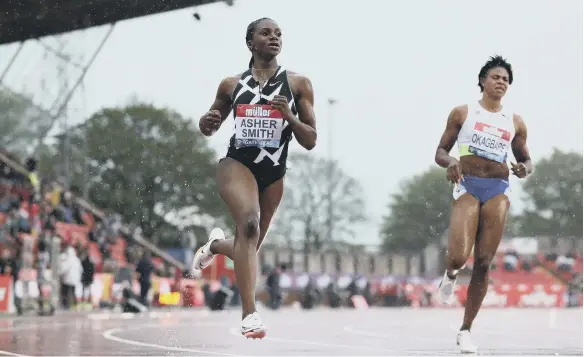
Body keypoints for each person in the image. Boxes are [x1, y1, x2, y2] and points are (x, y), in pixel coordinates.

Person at [192, 17, 317, 339]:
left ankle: (216, 245)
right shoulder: (231, 85)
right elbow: (210, 127)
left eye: (278, 34)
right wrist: (207, 121)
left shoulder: (298, 83)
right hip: (237, 163)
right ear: (251, 43)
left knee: (249, 247)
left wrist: (288, 114)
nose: (274, 38)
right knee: (249, 225)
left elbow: (311, 139)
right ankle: (249, 315)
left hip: (274, 173)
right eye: (265, 33)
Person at [434, 55, 532, 353]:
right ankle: (450, 275)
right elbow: (440, 151)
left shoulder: (514, 121)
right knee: (459, 258)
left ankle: (465, 330)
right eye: (495, 77)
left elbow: (526, 160)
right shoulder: (463, 113)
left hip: (498, 188)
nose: (501, 82)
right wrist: (451, 161)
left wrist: (525, 168)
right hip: (467, 185)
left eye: (505, 79)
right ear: (482, 81)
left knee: (485, 262)